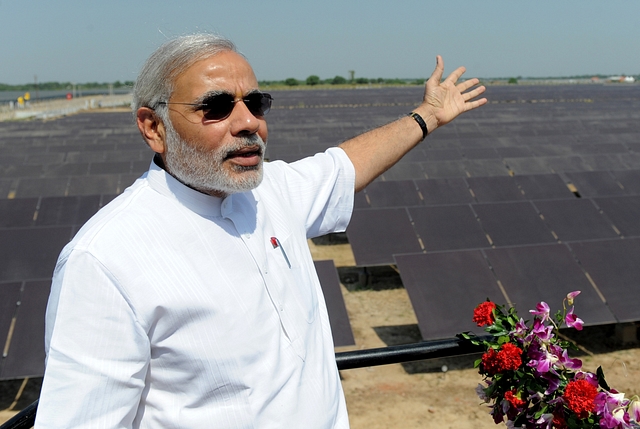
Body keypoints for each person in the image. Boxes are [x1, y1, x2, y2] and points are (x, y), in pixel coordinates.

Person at [34, 34, 486, 428]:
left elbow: (345, 165)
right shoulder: (105, 260)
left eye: (255, 102)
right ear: (154, 127)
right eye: (215, 107)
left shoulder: (273, 193)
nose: (248, 121)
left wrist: (426, 116)